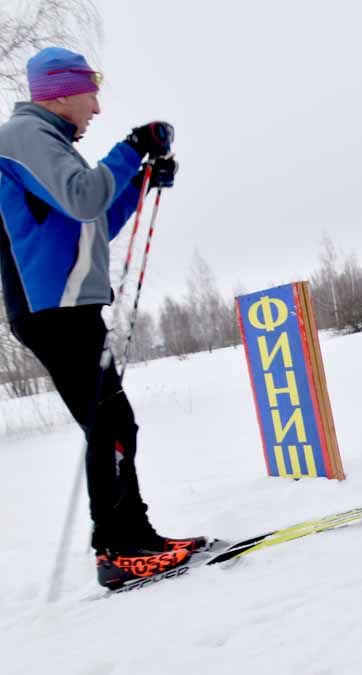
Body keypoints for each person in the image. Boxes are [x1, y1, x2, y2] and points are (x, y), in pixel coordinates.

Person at [0, 47, 203, 589]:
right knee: (108, 424)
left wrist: (141, 181)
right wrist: (131, 147)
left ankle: (136, 537)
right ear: (61, 91)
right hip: (52, 309)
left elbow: (90, 226)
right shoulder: (23, 137)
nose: (95, 105)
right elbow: (85, 198)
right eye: (91, 91)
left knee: (114, 423)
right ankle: (116, 549)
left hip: (67, 306)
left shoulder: (47, 143)